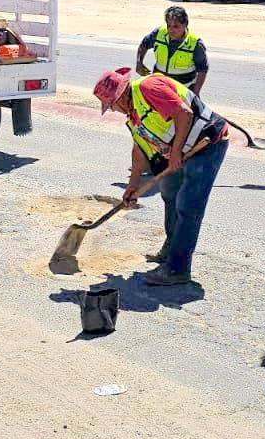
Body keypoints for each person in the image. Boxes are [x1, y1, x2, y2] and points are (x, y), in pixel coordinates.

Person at [93, 67, 228, 286]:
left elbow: (184, 113)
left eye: (111, 106)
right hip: (183, 149)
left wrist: (175, 152)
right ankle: (171, 249)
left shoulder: (148, 89)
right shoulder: (133, 116)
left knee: (188, 206)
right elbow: (139, 151)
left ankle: (178, 269)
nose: (113, 110)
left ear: (119, 97)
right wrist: (132, 186)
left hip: (206, 145)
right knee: (170, 192)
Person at [136, 6, 208, 95]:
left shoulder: (195, 43)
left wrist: (196, 94)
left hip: (184, 91)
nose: (171, 30)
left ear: (185, 24)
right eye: (168, 25)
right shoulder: (159, 33)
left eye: (176, 26)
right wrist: (139, 63)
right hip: (160, 88)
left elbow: (203, 70)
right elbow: (143, 45)